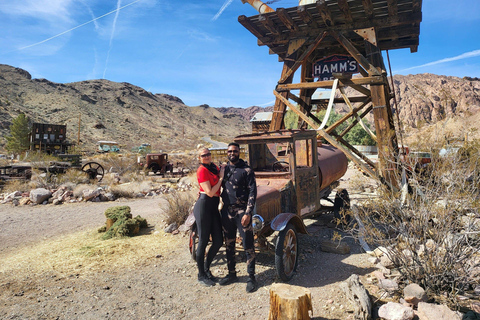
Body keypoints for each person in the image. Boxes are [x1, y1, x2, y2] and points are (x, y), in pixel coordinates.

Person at [219, 142, 258, 293]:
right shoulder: (224, 169)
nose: (232, 153)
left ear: (239, 152)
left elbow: (252, 193)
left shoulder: (247, 170)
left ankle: (251, 277)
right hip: (227, 211)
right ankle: (232, 274)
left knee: (248, 244)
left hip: (242, 212)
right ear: (227, 153)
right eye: (229, 151)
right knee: (229, 243)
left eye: (234, 151)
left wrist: (248, 213)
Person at [193, 147, 225, 287]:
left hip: (213, 207)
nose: (206, 156)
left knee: (218, 240)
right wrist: (222, 178)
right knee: (204, 241)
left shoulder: (214, 168)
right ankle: (201, 275)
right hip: (204, 206)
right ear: (199, 158)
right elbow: (210, 192)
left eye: (208, 154)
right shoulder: (202, 170)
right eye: (203, 155)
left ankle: (206, 269)